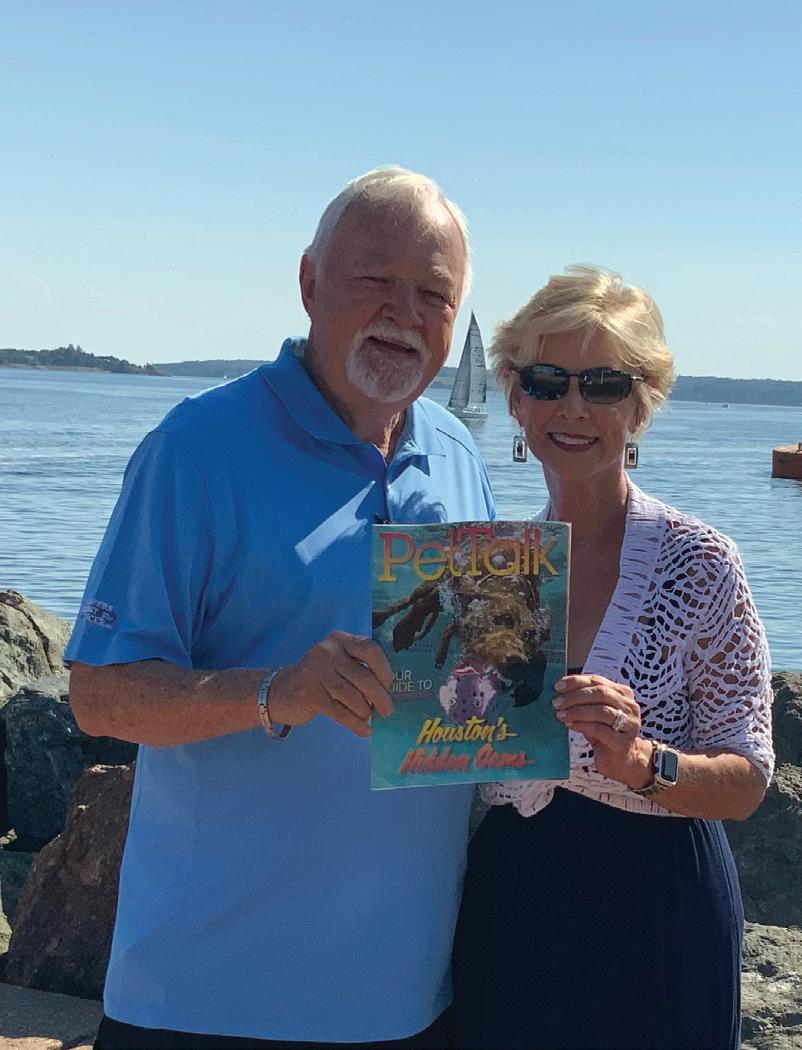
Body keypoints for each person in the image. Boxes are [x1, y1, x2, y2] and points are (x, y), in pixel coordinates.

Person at [66, 167, 496, 1049]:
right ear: (309, 282)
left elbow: (471, 694)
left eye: (433, 295)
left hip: (408, 999)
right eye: (374, 280)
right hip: (206, 995)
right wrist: (278, 693)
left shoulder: (459, 455)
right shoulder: (196, 447)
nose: (403, 313)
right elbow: (100, 696)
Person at [452, 266, 774, 1050]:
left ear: (640, 403)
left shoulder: (700, 564)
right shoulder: (479, 567)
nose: (572, 407)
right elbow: (451, 742)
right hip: (511, 903)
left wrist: (640, 761)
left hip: (658, 907)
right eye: (546, 380)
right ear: (514, 395)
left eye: (602, 384)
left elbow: (746, 782)